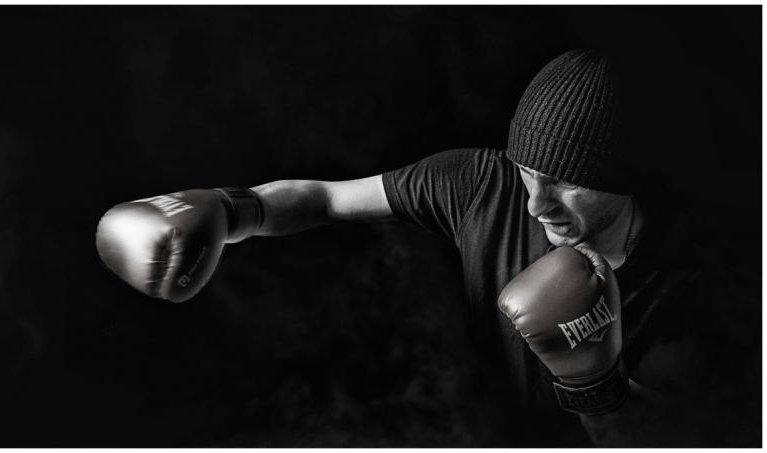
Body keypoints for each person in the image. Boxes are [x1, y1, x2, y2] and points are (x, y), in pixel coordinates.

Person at [95, 49, 759, 446]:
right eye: (528, 174)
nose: (537, 204)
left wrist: (596, 386)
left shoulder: (699, 281)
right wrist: (233, 208)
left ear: (626, 175)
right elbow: (324, 199)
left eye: (565, 183)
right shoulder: (479, 184)